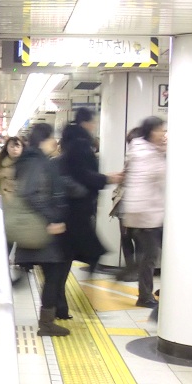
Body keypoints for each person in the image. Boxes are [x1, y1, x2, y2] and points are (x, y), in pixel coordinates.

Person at [58, 108, 123, 305]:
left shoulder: (71, 141)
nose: (94, 126)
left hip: (73, 207)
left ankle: (60, 301)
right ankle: (61, 299)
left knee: (70, 254)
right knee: (88, 252)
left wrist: (104, 178)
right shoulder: (80, 144)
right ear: (86, 123)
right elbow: (82, 174)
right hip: (77, 207)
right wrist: (106, 179)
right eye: (93, 122)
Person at [13, 123, 70, 336]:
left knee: (53, 273)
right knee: (54, 274)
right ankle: (46, 324)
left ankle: (48, 320)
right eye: (51, 137)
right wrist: (52, 218)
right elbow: (31, 193)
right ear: (43, 140)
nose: (55, 142)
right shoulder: (36, 162)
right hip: (41, 227)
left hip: (37, 226)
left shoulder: (32, 159)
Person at [121, 116, 167, 308]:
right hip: (146, 215)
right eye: (161, 130)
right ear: (151, 132)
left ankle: (149, 288)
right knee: (149, 258)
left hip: (143, 214)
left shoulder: (142, 150)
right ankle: (145, 296)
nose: (164, 134)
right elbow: (159, 177)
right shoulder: (147, 154)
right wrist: (163, 152)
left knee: (150, 255)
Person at [112, 127, 141, 281]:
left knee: (134, 239)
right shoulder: (131, 157)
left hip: (136, 205)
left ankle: (136, 271)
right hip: (125, 203)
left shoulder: (140, 157)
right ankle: (132, 269)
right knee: (127, 238)